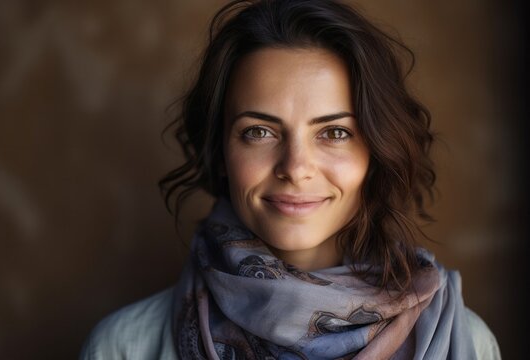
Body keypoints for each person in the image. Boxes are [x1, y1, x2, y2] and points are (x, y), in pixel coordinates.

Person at [80, 0, 501, 359]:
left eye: (335, 133)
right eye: (258, 132)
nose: (296, 166)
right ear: (222, 150)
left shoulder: (462, 342)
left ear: (376, 151)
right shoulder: (124, 346)